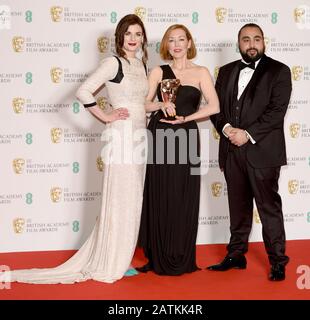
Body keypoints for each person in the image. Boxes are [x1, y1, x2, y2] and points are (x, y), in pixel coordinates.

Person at [1, 14, 148, 284]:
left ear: (143, 39)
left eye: (138, 34)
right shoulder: (112, 63)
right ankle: (110, 260)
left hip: (140, 136)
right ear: (120, 37)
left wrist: (159, 107)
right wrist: (105, 117)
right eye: (128, 34)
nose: (133, 39)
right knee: (119, 197)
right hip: (122, 135)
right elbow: (84, 91)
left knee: (133, 197)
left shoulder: (140, 65)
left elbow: (140, 104)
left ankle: (121, 256)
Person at [207, 23, 292, 281]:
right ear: (239, 43)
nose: (251, 44)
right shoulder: (226, 71)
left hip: (262, 152)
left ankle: (278, 261)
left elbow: (276, 112)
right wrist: (228, 129)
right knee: (238, 207)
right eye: (246, 39)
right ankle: (236, 254)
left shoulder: (279, 71)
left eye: (256, 39)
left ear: (263, 42)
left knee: (269, 208)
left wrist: (247, 134)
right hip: (232, 150)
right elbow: (216, 109)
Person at [137, 24, 219, 275]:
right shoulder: (157, 71)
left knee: (184, 193)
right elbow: (143, 104)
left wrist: (188, 117)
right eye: (171, 40)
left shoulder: (201, 72)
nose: (177, 44)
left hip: (186, 135)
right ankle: (160, 252)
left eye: (181, 39)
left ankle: (181, 254)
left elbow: (214, 106)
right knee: (162, 191)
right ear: (166, 45)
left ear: (189, 43)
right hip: (160, 135)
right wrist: (162, 104)